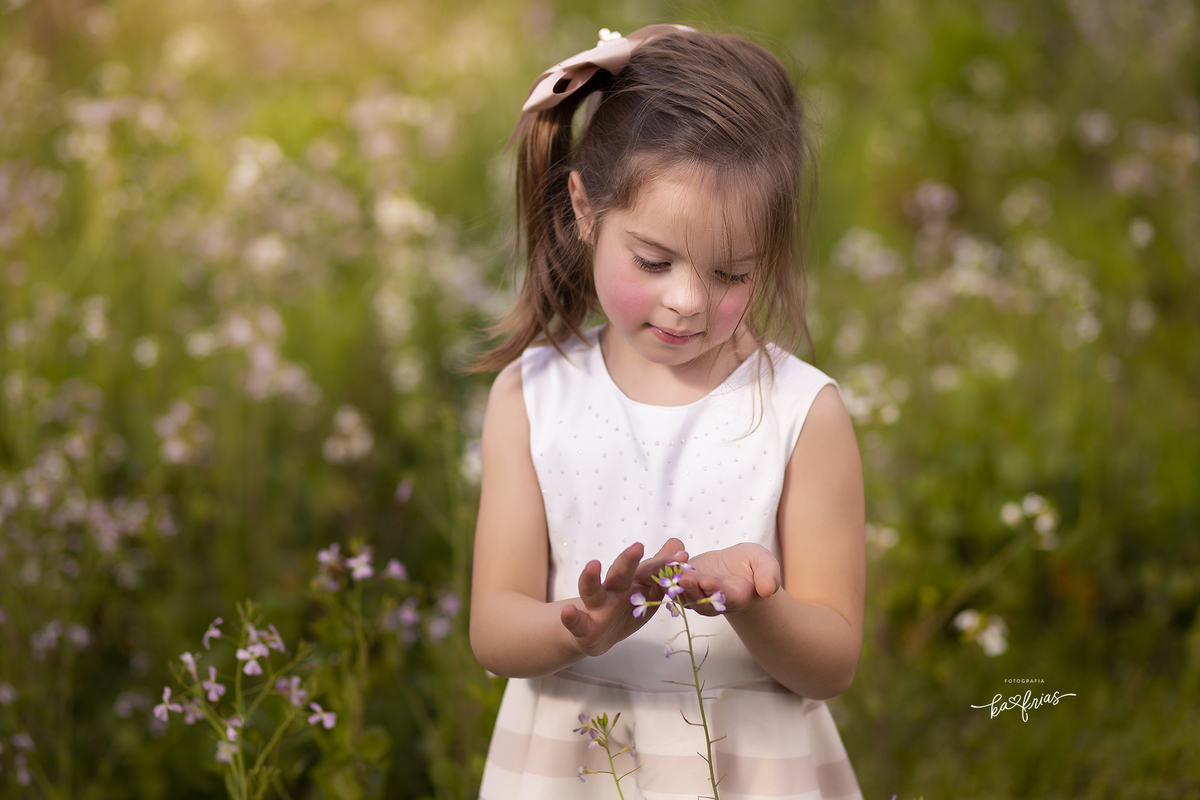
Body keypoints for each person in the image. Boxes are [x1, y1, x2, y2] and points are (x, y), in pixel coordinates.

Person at [469, 23, 865, 800]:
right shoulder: (531, 397)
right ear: (584, 209)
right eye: (653, 261)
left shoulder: (801, 412)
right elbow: (493, 625)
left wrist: (754, 604)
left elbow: (834, 660)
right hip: (573, 763)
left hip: (748, 768)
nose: (688, 301)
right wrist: (576, 627)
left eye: (731, 271)